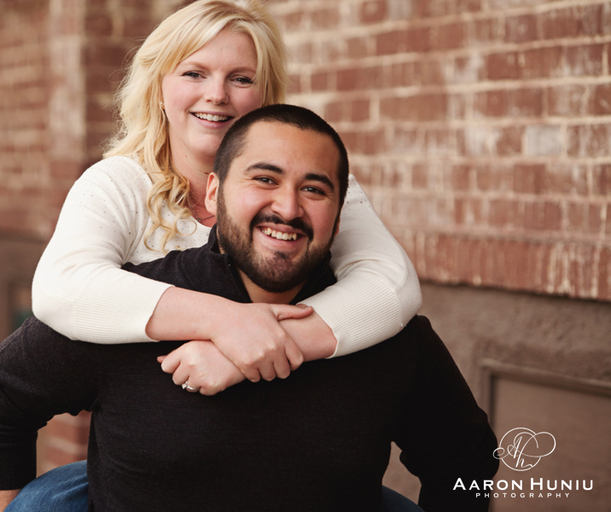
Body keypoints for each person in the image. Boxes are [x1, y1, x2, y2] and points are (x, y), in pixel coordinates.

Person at [0, 105, 498, 512]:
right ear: (213, 195)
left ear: (340, 214)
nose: (287, 208)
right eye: (264, 179)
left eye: (314, 189)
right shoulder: (130, 309)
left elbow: (466, 455)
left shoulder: (388, 336)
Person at [31, 0, 423, 393]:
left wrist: (262, 344)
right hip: (149, 442)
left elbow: (392, 285)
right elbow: (61, 289)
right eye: (194, 73)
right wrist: (224, 320)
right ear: (159, 88)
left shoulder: (312, 187)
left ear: (267, 96)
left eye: (241, 79)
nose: (217, 94)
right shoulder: (116, 185)